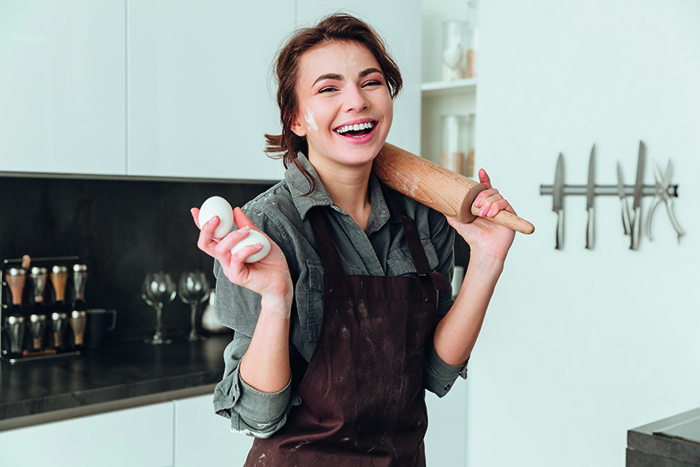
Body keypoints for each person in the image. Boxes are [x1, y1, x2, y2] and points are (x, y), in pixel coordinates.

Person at [192, 12, 516, 466]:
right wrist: (276, 298)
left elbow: (436, 371)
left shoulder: (425, 219)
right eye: (328, 88)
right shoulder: (266, 228)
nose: (356, 101)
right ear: (296, 119)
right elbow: (257, 416)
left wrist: (486, 260)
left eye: (371, 82)